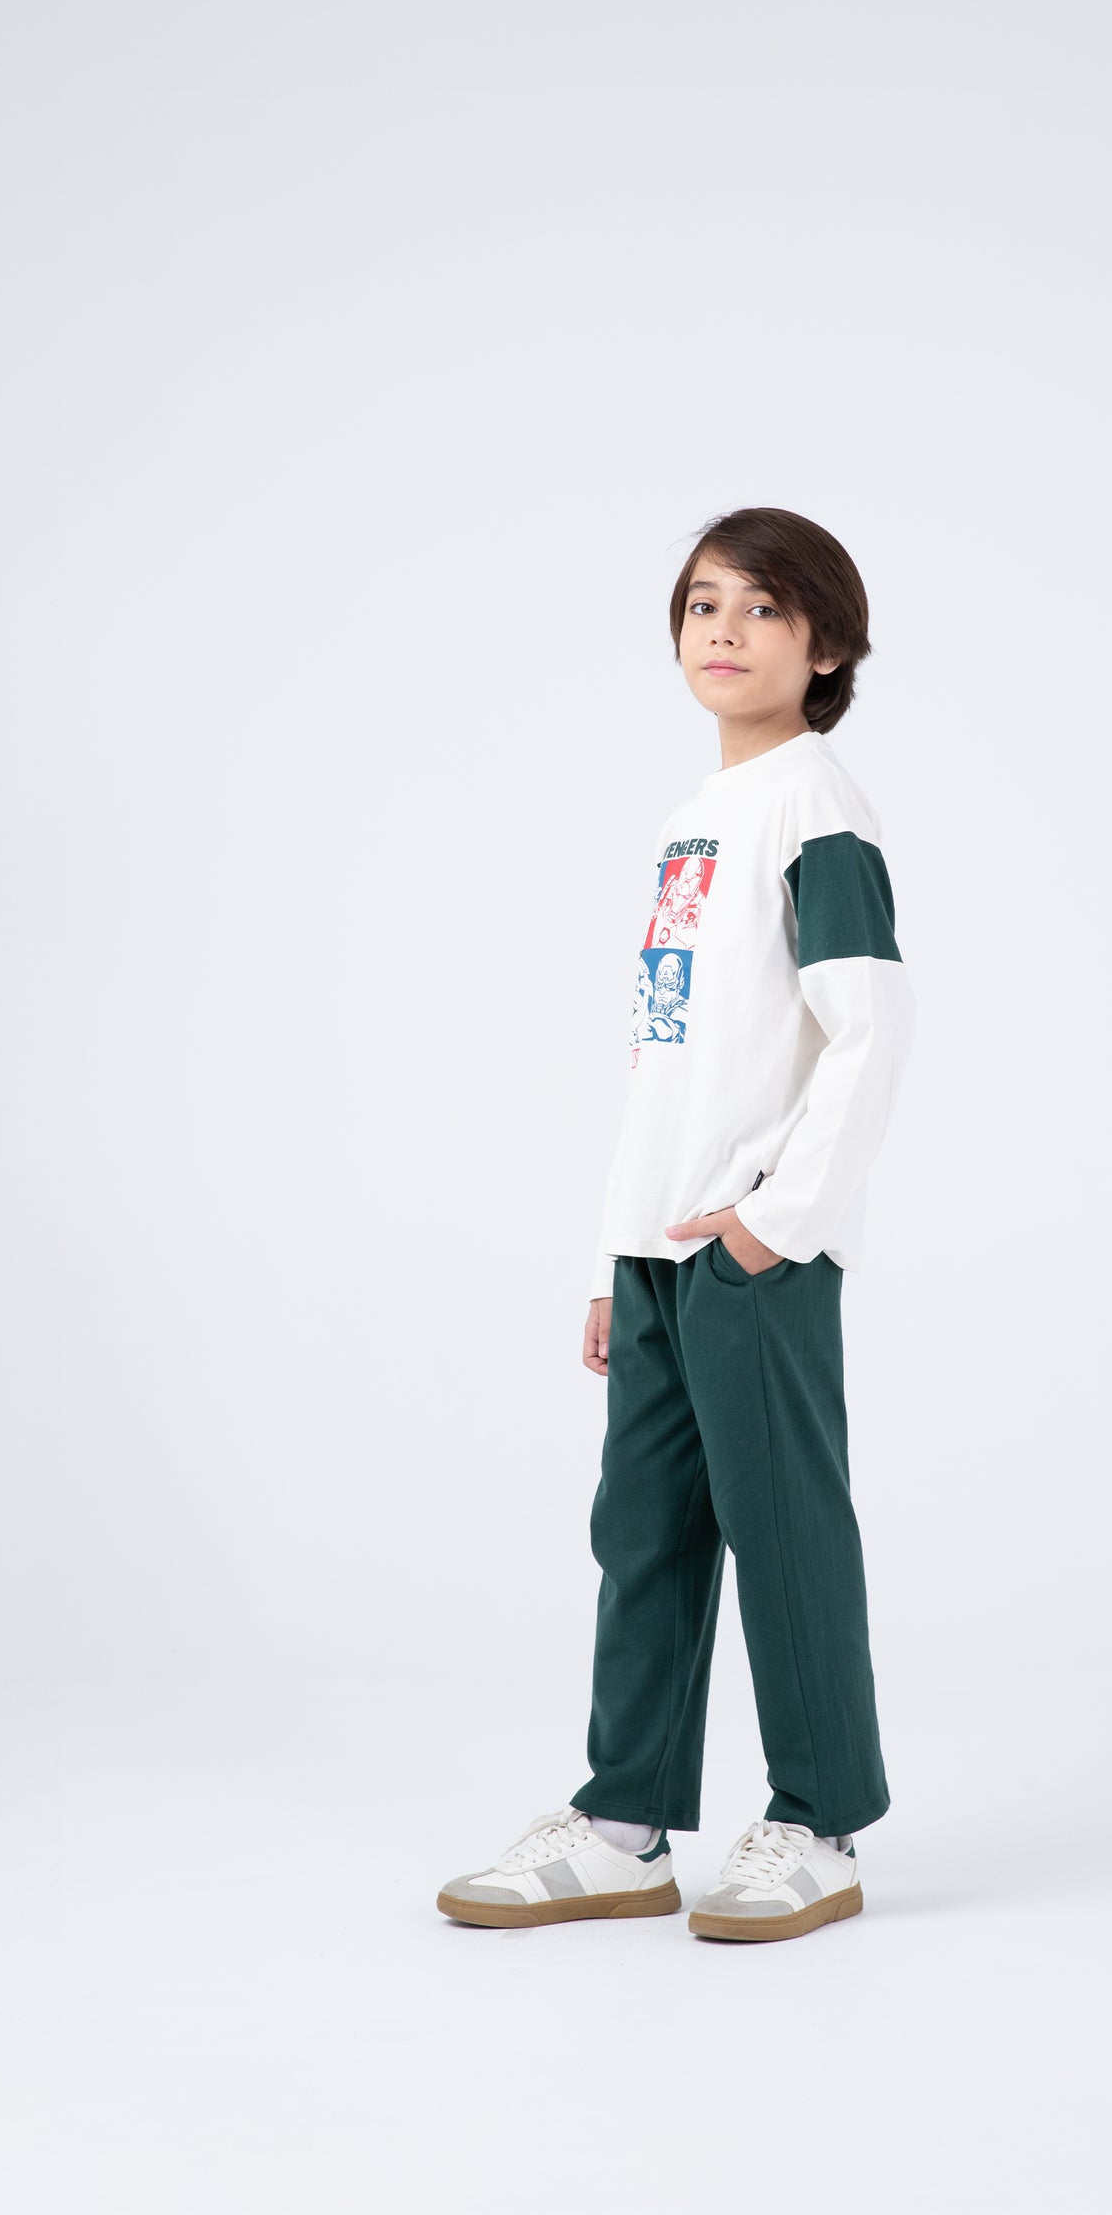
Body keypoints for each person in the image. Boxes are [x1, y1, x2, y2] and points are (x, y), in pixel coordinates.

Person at [438, 507, 915, 1943]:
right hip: (663, 1249)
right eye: (705, 603)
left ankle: (819, 1825)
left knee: (784, 1532)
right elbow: (669, 1059)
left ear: (824, 647)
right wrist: (617, 1255)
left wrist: (780, 1223)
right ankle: (622, 1825)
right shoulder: (694, 817)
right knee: (641, 1531)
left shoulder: (817, 806)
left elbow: (872, 1027)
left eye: (764, 608)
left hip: (751, 1253)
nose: (724, 629)